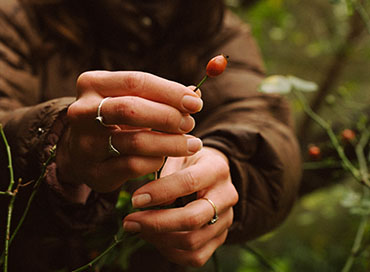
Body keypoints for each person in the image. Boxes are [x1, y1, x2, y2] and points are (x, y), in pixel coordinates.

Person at [0, 0, 302, 271]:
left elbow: (259, 118)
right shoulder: (18, 15)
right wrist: (59, 144)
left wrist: (226, 165)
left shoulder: (216, 28)